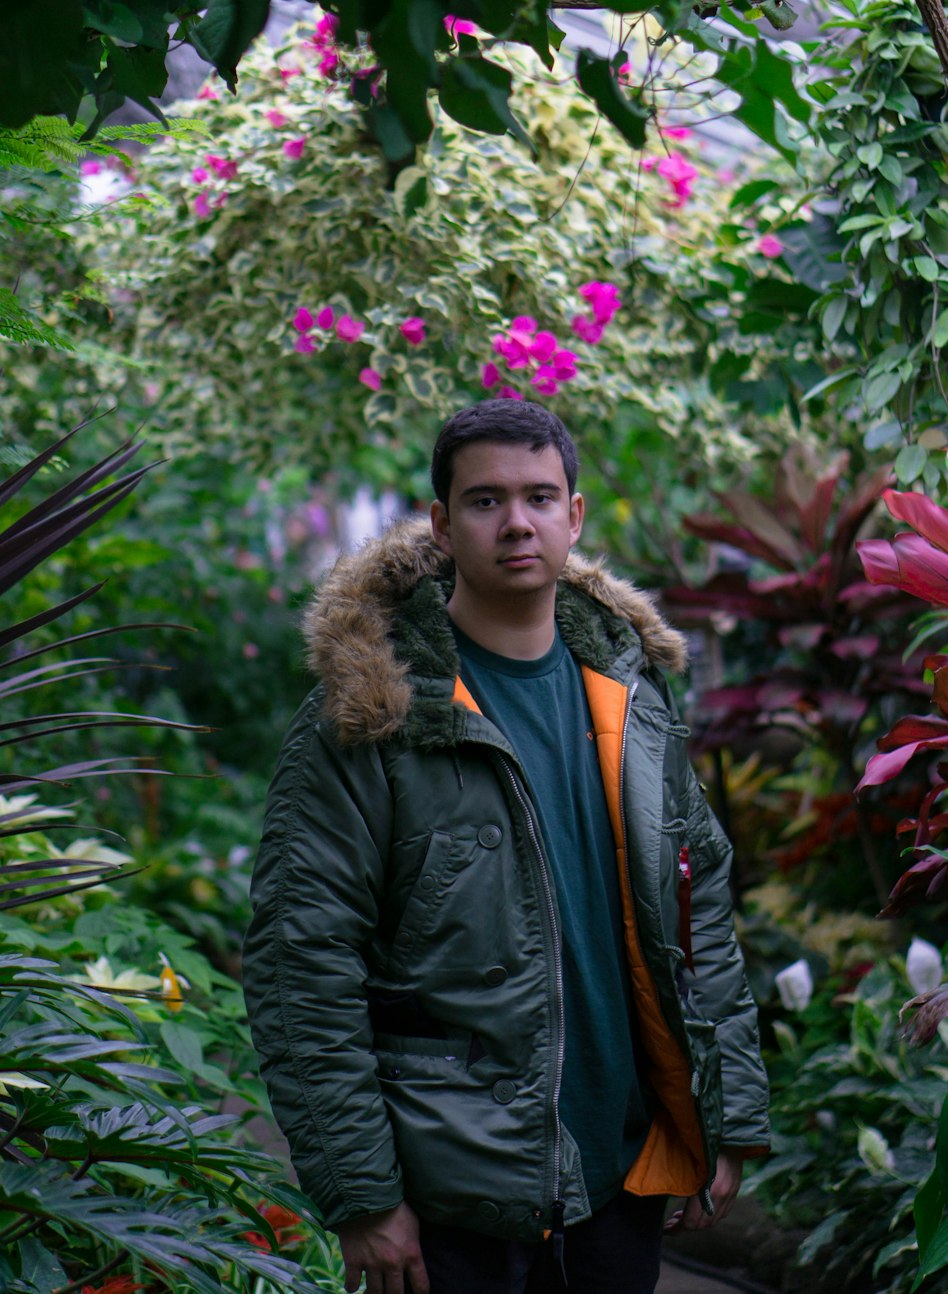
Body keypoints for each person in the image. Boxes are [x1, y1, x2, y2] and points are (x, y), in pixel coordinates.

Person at [242, 400, 769, 1294]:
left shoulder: (631, 696)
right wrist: (365, 1197)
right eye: (485, 501)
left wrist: (725, 1118)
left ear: (575, 515)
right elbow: (302, 961)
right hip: (453, 1195)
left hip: (620, 1175)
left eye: (538, 497)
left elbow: (699, 909)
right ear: (442, 526)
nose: (516, 523)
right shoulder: (373, 715)